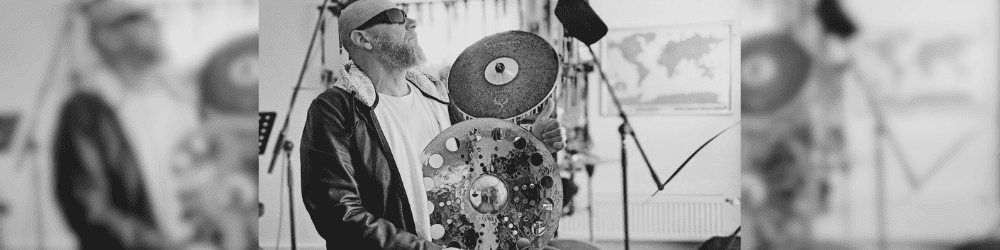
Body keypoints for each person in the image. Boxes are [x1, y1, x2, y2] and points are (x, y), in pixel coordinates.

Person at [299, 0, 564, 249]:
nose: (411, 22)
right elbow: (338, 215)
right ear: (362, 39)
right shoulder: (334, 110)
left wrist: (531, 145)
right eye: (396, 17)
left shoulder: (438, 98)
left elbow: (482, 174)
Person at [53, 0, 198, 249]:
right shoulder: (85, 110)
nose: (158, 22)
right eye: (142, 16)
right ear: (108, 36)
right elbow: (90, 210)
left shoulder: (181, 99)